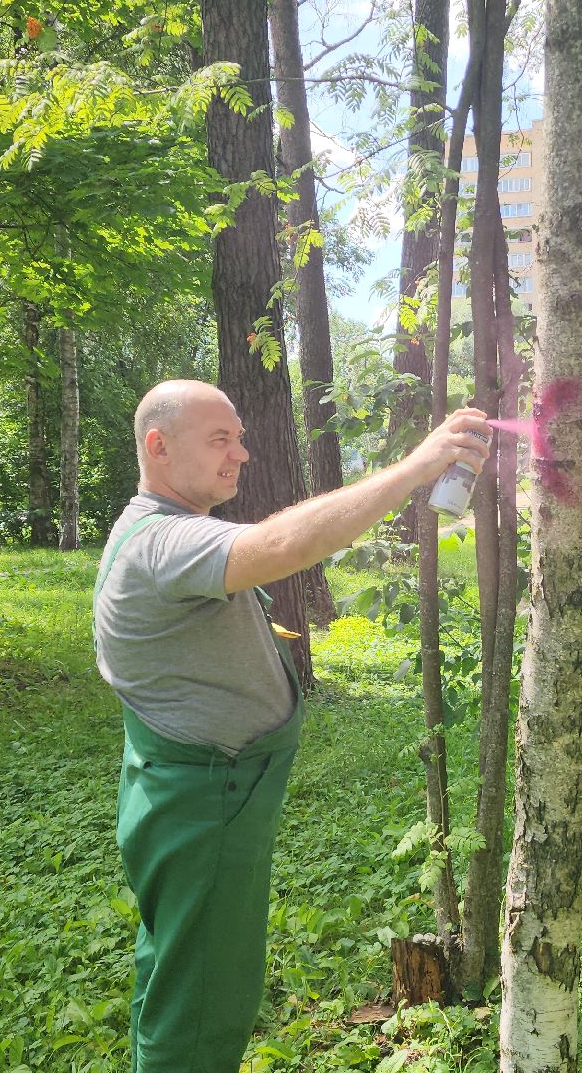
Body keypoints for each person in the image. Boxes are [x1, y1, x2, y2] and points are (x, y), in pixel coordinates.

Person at [94, 379, 491, 1072]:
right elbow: (281, 545)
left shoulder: (158, 530)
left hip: (195, 795)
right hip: (203, 807)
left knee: (179, 974)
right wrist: (416, 467)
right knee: (205, 1004)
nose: (242, 454)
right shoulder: (160, 543)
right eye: (221, 439)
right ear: (158, 447)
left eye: (240, 437)